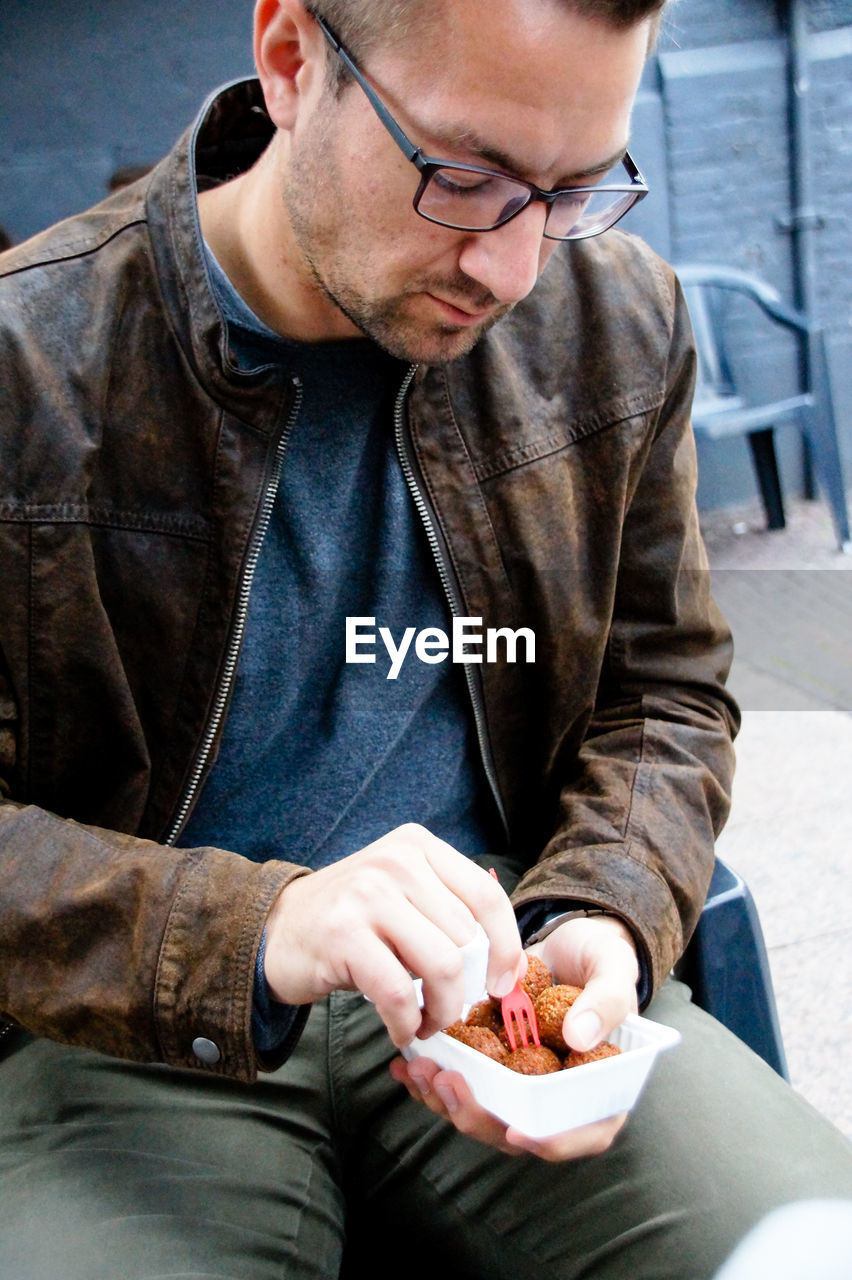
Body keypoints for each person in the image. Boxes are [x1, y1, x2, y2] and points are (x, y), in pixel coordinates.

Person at [0, 1, 851, 1276]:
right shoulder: (29, 363)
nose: (514, 271)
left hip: (510, 972)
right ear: (292, 61)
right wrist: (259, 927)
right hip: (131, 1036)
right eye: (466, 178)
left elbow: (662, 687)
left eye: (572, 191)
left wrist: (608, 915)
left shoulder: (617, 321)